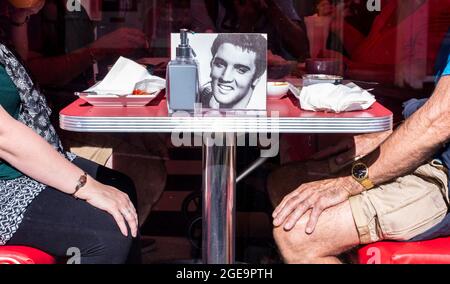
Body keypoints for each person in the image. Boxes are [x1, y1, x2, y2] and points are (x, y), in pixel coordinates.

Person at [267, 43, 450, 263]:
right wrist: (385, 136)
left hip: (443, 174)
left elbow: (439, 121)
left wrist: (348, 183)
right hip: (430, 151)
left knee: (296, 236)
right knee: (285, 181)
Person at [3, 0, 168, 226]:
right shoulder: (29, 11)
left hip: (68, 112)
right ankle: (114, 236)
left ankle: (124, 238)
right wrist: (98, 49)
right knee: (146, 172)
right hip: (47, 127)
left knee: (150, 142)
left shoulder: (66, 8)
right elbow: (32, 72)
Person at [0, 39, 141, 263]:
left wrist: (19, 17)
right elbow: (3, 136)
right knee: (107, 234)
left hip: (14, 167)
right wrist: (85, 186)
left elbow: (20, 57)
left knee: (119, 185)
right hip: (4, 187)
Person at [199, 33, 267, 110]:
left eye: (241, 70)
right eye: (219, 64)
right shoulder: (202, 97)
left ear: (256, 79)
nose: (225, 78)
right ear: (211, 63)